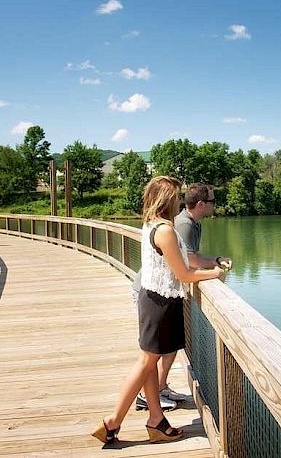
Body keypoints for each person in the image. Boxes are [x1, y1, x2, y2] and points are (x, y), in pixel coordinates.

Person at [92, 176, 225, 444]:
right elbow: (185, 274)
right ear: (167, 199)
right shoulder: (165, 230)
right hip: (160, 305)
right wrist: (215, 272)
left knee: (149, 363)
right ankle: (113, 421)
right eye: (176, 197)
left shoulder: (151, 224)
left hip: (153, 299)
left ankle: (156, 420)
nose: (179, 201)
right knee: (145, 363)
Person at [132, 183, 232, 411]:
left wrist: (215, 259)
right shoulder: (181, 225)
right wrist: (215, 272)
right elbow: (189, 265)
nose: (214, 205)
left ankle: (160, 388)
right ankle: (142, 400)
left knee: (166, 349)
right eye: (212, 201)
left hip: (163, 292)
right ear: (201, 204)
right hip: (154, 292)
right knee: (152, 355)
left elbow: (190, 259)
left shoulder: (191, 223)